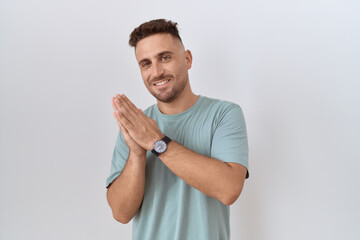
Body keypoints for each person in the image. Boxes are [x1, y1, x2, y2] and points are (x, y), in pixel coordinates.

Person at [106, 19, 249, 240]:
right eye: (146, 63)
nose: (156, 72)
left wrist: (156, 142)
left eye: (165, 57)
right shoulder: (137, 126)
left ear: (187, 59)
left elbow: (229, 189)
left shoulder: (224, 114)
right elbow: (121, 213)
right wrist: (136, 153)